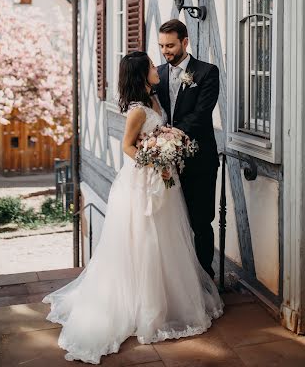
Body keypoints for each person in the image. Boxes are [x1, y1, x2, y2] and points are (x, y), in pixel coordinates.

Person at [43, 51, 223, 364]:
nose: (158, 68)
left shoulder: (154, 100)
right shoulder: (137, 111)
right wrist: (154, 161)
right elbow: (127, 145)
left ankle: (171, 299)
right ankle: (146, 307)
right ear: (142, 74)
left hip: (164, 181)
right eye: (152, 66)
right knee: (146, 240)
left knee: (168, 237)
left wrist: (166, 152)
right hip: (143, 182)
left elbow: (159, 133)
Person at [157, 19, 220, 278]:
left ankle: (205, 281)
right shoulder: (157, 73)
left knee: (201, 224)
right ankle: (178, 282)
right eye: (161, 46)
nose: (165, 51)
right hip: (165, 163)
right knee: (170, 225)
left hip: (199, 161)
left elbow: (202, 114)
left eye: (170, 45)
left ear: (185, 42)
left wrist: (169, 135)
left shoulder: (207, 72)